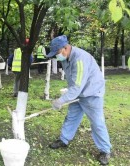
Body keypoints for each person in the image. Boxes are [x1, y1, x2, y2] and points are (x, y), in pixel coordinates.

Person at [46, 35, 112, 165]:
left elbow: (77, 85)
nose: (56, 57)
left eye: (57, 53)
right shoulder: (65, 58)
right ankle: (64, 140)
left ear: (65, 48)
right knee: (71, 117)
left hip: (92, 93)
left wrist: (61, 100)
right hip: (77, 93)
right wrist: (69, 92)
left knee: (97, 122)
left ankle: (105, 150)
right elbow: (74, 81)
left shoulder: (79, 59)